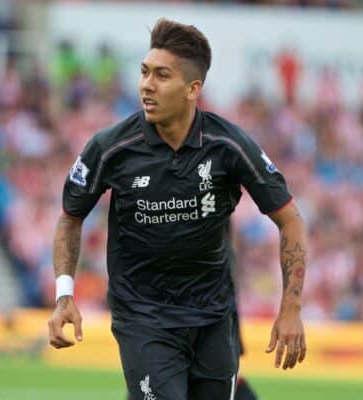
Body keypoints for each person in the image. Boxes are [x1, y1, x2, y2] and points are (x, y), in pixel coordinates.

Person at [48, 19, 308, 400]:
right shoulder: (111, 148)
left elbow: (290, 220)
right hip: (144, 318)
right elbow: (69, 219)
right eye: (144, 72)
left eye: (162, 75)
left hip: (214, 319)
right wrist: (64, 294)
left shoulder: (228, 146)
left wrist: (291, 307)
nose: (147, 84)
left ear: (193, 89)